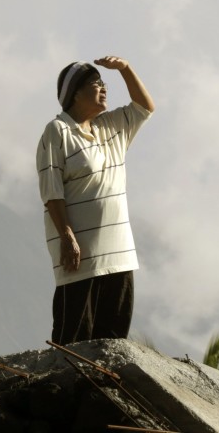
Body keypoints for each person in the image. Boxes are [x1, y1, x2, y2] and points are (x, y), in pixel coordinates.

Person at [36, 56, 155, 344]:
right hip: (80, 254)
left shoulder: (111, 126)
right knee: (74, 334)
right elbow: (51, 190)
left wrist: (126, 69)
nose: (104, 88)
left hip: (118, 251)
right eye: (95, 83)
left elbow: (145, 107)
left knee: (112, 336)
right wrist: (67, 236)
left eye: (104, 83)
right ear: (75, 92)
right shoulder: (58, 130)